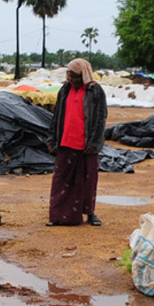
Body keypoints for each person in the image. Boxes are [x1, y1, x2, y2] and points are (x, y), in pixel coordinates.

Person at [46, 58, 108, 227]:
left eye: (75, 77)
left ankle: (90, 214)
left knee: (88, 181)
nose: (71, 80)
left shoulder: (95, 91)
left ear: (84, 75)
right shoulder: (65, 90)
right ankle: (58, 215)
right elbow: (57, 115)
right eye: (70, 76)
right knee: (61, 181)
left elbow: (100, 118)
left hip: (86, 144)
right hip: (66, 142)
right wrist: (52, 138)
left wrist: (94, 142)